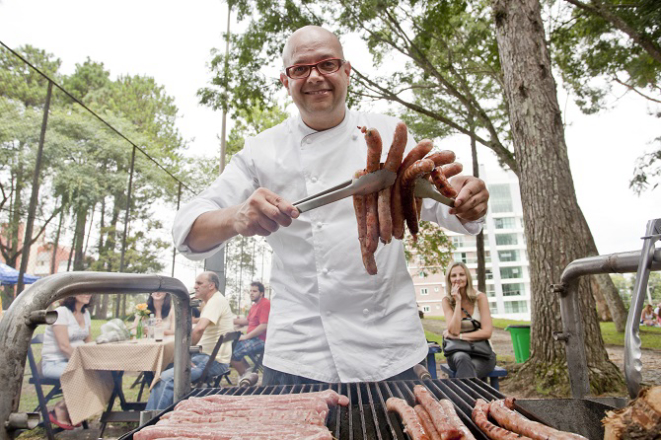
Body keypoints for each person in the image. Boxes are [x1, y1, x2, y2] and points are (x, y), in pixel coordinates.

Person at [172, 25, 489, 385]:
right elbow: (187, 230)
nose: (315, 77)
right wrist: (236, 216)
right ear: (285, 81)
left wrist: (465, 198)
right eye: (300, 68)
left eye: (327, 64)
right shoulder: (261, 150)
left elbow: (439, 202)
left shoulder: (387, 133)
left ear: (347, 71)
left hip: (388, 347)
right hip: (298, 352)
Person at [145, 272, 233, 410]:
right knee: (163, 370)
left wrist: (185, 355)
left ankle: (152, 422)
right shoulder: (213, 301)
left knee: (166, 377)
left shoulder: (215, 301)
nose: (195, 286)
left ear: (211, 286)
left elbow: (199, 329)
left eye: (199, 283)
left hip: (213, 361)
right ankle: (155, 417)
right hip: (209, 356)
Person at [41, 294, 93, 430]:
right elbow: (64, 347)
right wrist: (83, 364)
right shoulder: (61, 312)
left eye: (90, 291)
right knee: (83, 374)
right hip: (54, 363)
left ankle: (71, 410)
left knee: (101, 373)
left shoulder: (85, 313)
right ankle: (59, 409)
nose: (88, 294)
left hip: (73, 362)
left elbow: (89, 342)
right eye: (84, 291)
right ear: (73, 293)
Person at [441, 262, 496, 378]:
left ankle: (460, 395)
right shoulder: (446, 301)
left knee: (470, 371)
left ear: (467, 277)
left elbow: (487, 332)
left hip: (482, 353)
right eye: (453, 276)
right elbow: (454, 330)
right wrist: (458, 302)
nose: (458, 279)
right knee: (462, 359)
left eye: (462, 274)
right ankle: (475, 396)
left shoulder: (480, 298)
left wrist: (460, 337)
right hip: (457, 351)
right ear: (449, 279)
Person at [231, 281, 270, 377]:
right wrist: (230, 321)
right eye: (250, 291)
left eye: (254, 291)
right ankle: (249, 375)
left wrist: (246, 337)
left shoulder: (265, 303)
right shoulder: (254, 306)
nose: (251, 293)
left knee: (233, 354)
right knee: (230, 348)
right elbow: (248, 321)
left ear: (261, 293)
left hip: (261, 340)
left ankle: (247, 377)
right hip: (253, 339)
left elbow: (264, 326)